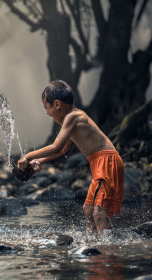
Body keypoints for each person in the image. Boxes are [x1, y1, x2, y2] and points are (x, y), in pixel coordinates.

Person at [17, 80, 124, 237]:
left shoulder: (73, 117)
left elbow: (56, 147)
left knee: (99, 213)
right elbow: (62, 151)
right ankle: (91, 244)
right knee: (88, 210)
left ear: (58, 104)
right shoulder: (71, 119)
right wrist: (40, 161)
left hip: (107, 162)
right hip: (100, 163)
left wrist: (27, 156)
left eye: (47, 107)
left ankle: (107, 252)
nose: (47, 112)